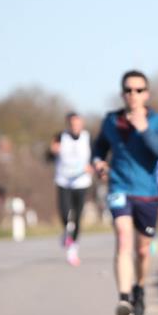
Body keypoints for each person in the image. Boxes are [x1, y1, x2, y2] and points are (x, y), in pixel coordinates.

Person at [92, 71, 158, 315]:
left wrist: (143, 130)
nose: (133, 94)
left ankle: (139, 287)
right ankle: (124, 298)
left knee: (142, 252)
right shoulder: (110, 121)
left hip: (147, 194)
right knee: (123, 238)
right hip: (119, 189)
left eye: (139, 90)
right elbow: (98, 149)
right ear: (122, 94)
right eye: (128, 90)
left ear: (146, 94)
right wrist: (98, 163)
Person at [49, 112, 93, 267]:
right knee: (65, 213)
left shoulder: (88, 138)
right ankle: (66, 233)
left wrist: (92, 166)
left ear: (82, 124)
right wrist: (52, 151)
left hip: (81, 182)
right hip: (64, 181)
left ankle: (72, 249)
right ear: (68, 125)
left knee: (77, 216)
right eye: (72, 124)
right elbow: (48, 156)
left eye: (77, 124)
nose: (75, 127)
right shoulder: (60, 137)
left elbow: (96, 157)